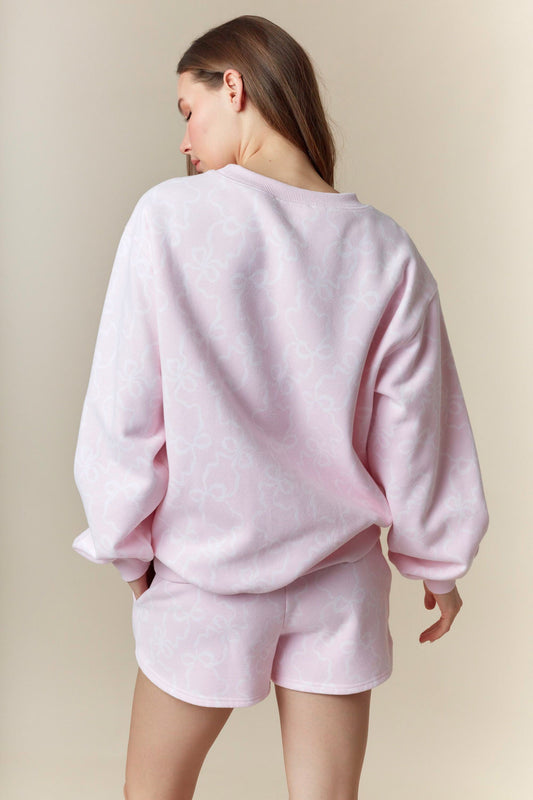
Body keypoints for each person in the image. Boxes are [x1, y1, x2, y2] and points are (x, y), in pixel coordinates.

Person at [71, 14, 490, 800]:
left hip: (208, 574)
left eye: (188, 111)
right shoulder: (384, 248)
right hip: (340, 581)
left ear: (232, 85)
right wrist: (436, 560)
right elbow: (416, 428)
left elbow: (125, 410)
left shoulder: (168, 218)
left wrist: (125, 546)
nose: (186, 141)